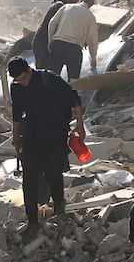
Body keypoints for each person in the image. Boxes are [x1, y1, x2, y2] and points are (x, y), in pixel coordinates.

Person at [8, 56, 85, 235]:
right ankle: (32, 220)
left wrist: (80, 125)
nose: (22, 83)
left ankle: (60, 210)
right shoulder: (17, 87)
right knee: (29, 178)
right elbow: (17, 112)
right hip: (32, 138)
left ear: (29, 69)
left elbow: (74, 99)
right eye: (18, 81)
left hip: (55, 136)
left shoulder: (48, 79)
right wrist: (15, 135)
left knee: (53, 173)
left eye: (24, 79)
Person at [47, 0, 99, 80]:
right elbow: (92, 40)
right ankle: (70, 94)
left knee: (53, 78)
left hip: (58, 45)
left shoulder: (67, 7)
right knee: (73, 81)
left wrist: (51, 41)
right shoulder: (91, 17)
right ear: (92, 4)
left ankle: (52, 93)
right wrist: (93, 59)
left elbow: (52, 23)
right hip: (74, 50)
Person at [31, 0, 80, 68]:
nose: (77, 0)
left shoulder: (64, 6)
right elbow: (52, 25)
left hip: (46, 42)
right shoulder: (59, 6)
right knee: (43, 71)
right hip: (43, 42)